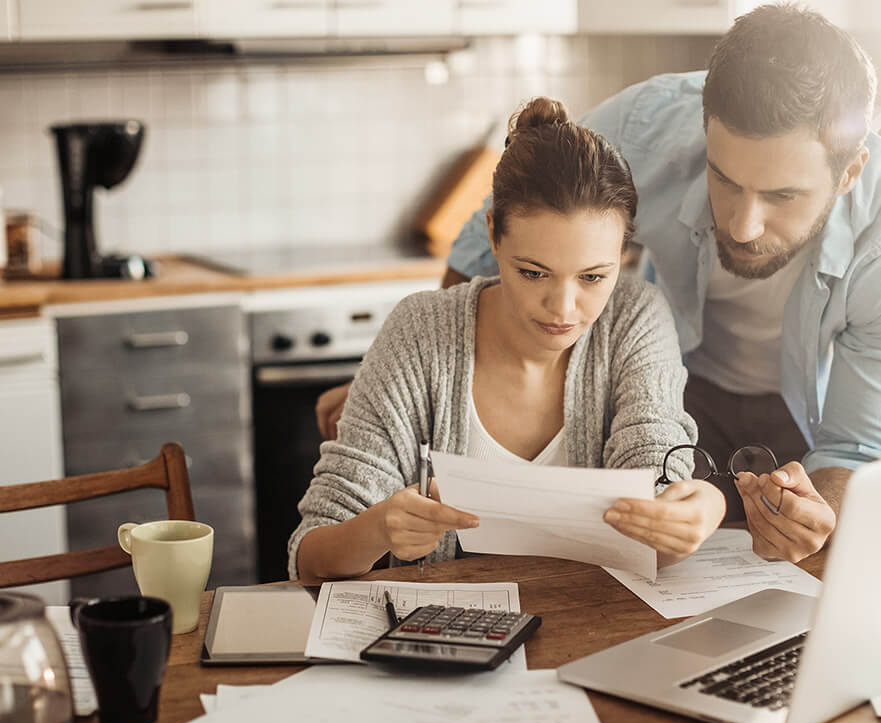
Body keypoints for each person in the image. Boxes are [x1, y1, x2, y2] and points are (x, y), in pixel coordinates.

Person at [318, 3, 879, 565]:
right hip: (674, 382)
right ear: (704, 130)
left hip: (804, 420)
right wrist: (409, 378)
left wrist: (817, 514)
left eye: (782, 196)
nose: (742, 225)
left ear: (850, 171)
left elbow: (853, 446)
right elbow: (481, 244)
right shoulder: (648, 125)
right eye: (724, 179)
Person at [290, 98, 726, 583]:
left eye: (592, 277)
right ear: (494, 236)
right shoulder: (420, 331)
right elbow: (311, 557)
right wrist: (378, 530)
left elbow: (655, 489)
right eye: (533, 272)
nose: (562, 308)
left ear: (623, 252)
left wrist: (694, 511)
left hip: (592, 631)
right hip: (444, 641)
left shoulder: (635, 319)